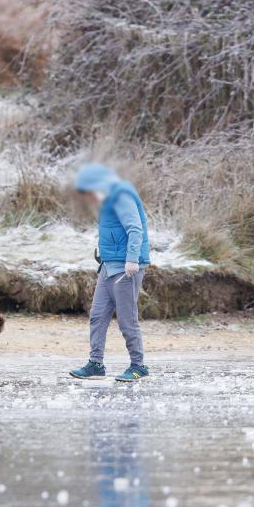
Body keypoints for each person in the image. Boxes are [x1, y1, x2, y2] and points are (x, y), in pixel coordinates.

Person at [69, 163, 150, 382]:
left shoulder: (121, 195)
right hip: (108, 266)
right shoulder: (105, 200)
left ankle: (138, 366)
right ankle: (96, 364)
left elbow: (135, 229)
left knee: (127, 319)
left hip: (126, 268)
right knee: (97, 315)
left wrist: (132, 259)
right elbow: (112, 231)